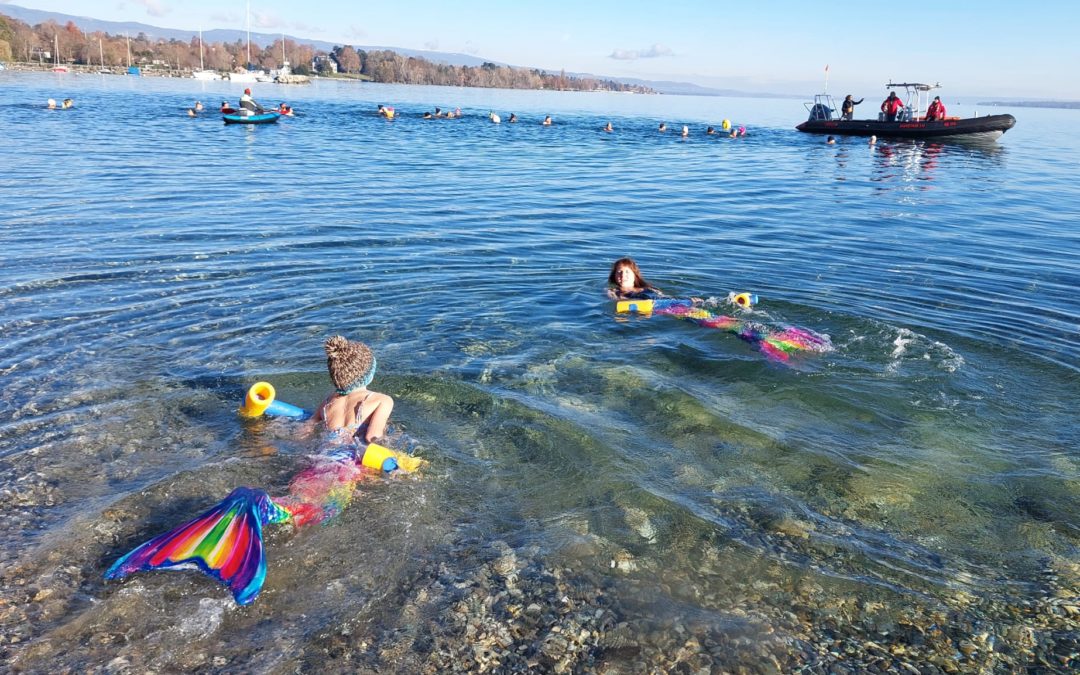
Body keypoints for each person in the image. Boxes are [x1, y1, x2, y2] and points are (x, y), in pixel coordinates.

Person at [311, 335, 394, 445]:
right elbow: (372, 437)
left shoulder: (326, 403)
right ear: (369, 374)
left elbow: (305, 430)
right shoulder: (382, 400)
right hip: (352, 459)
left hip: (321, 457)